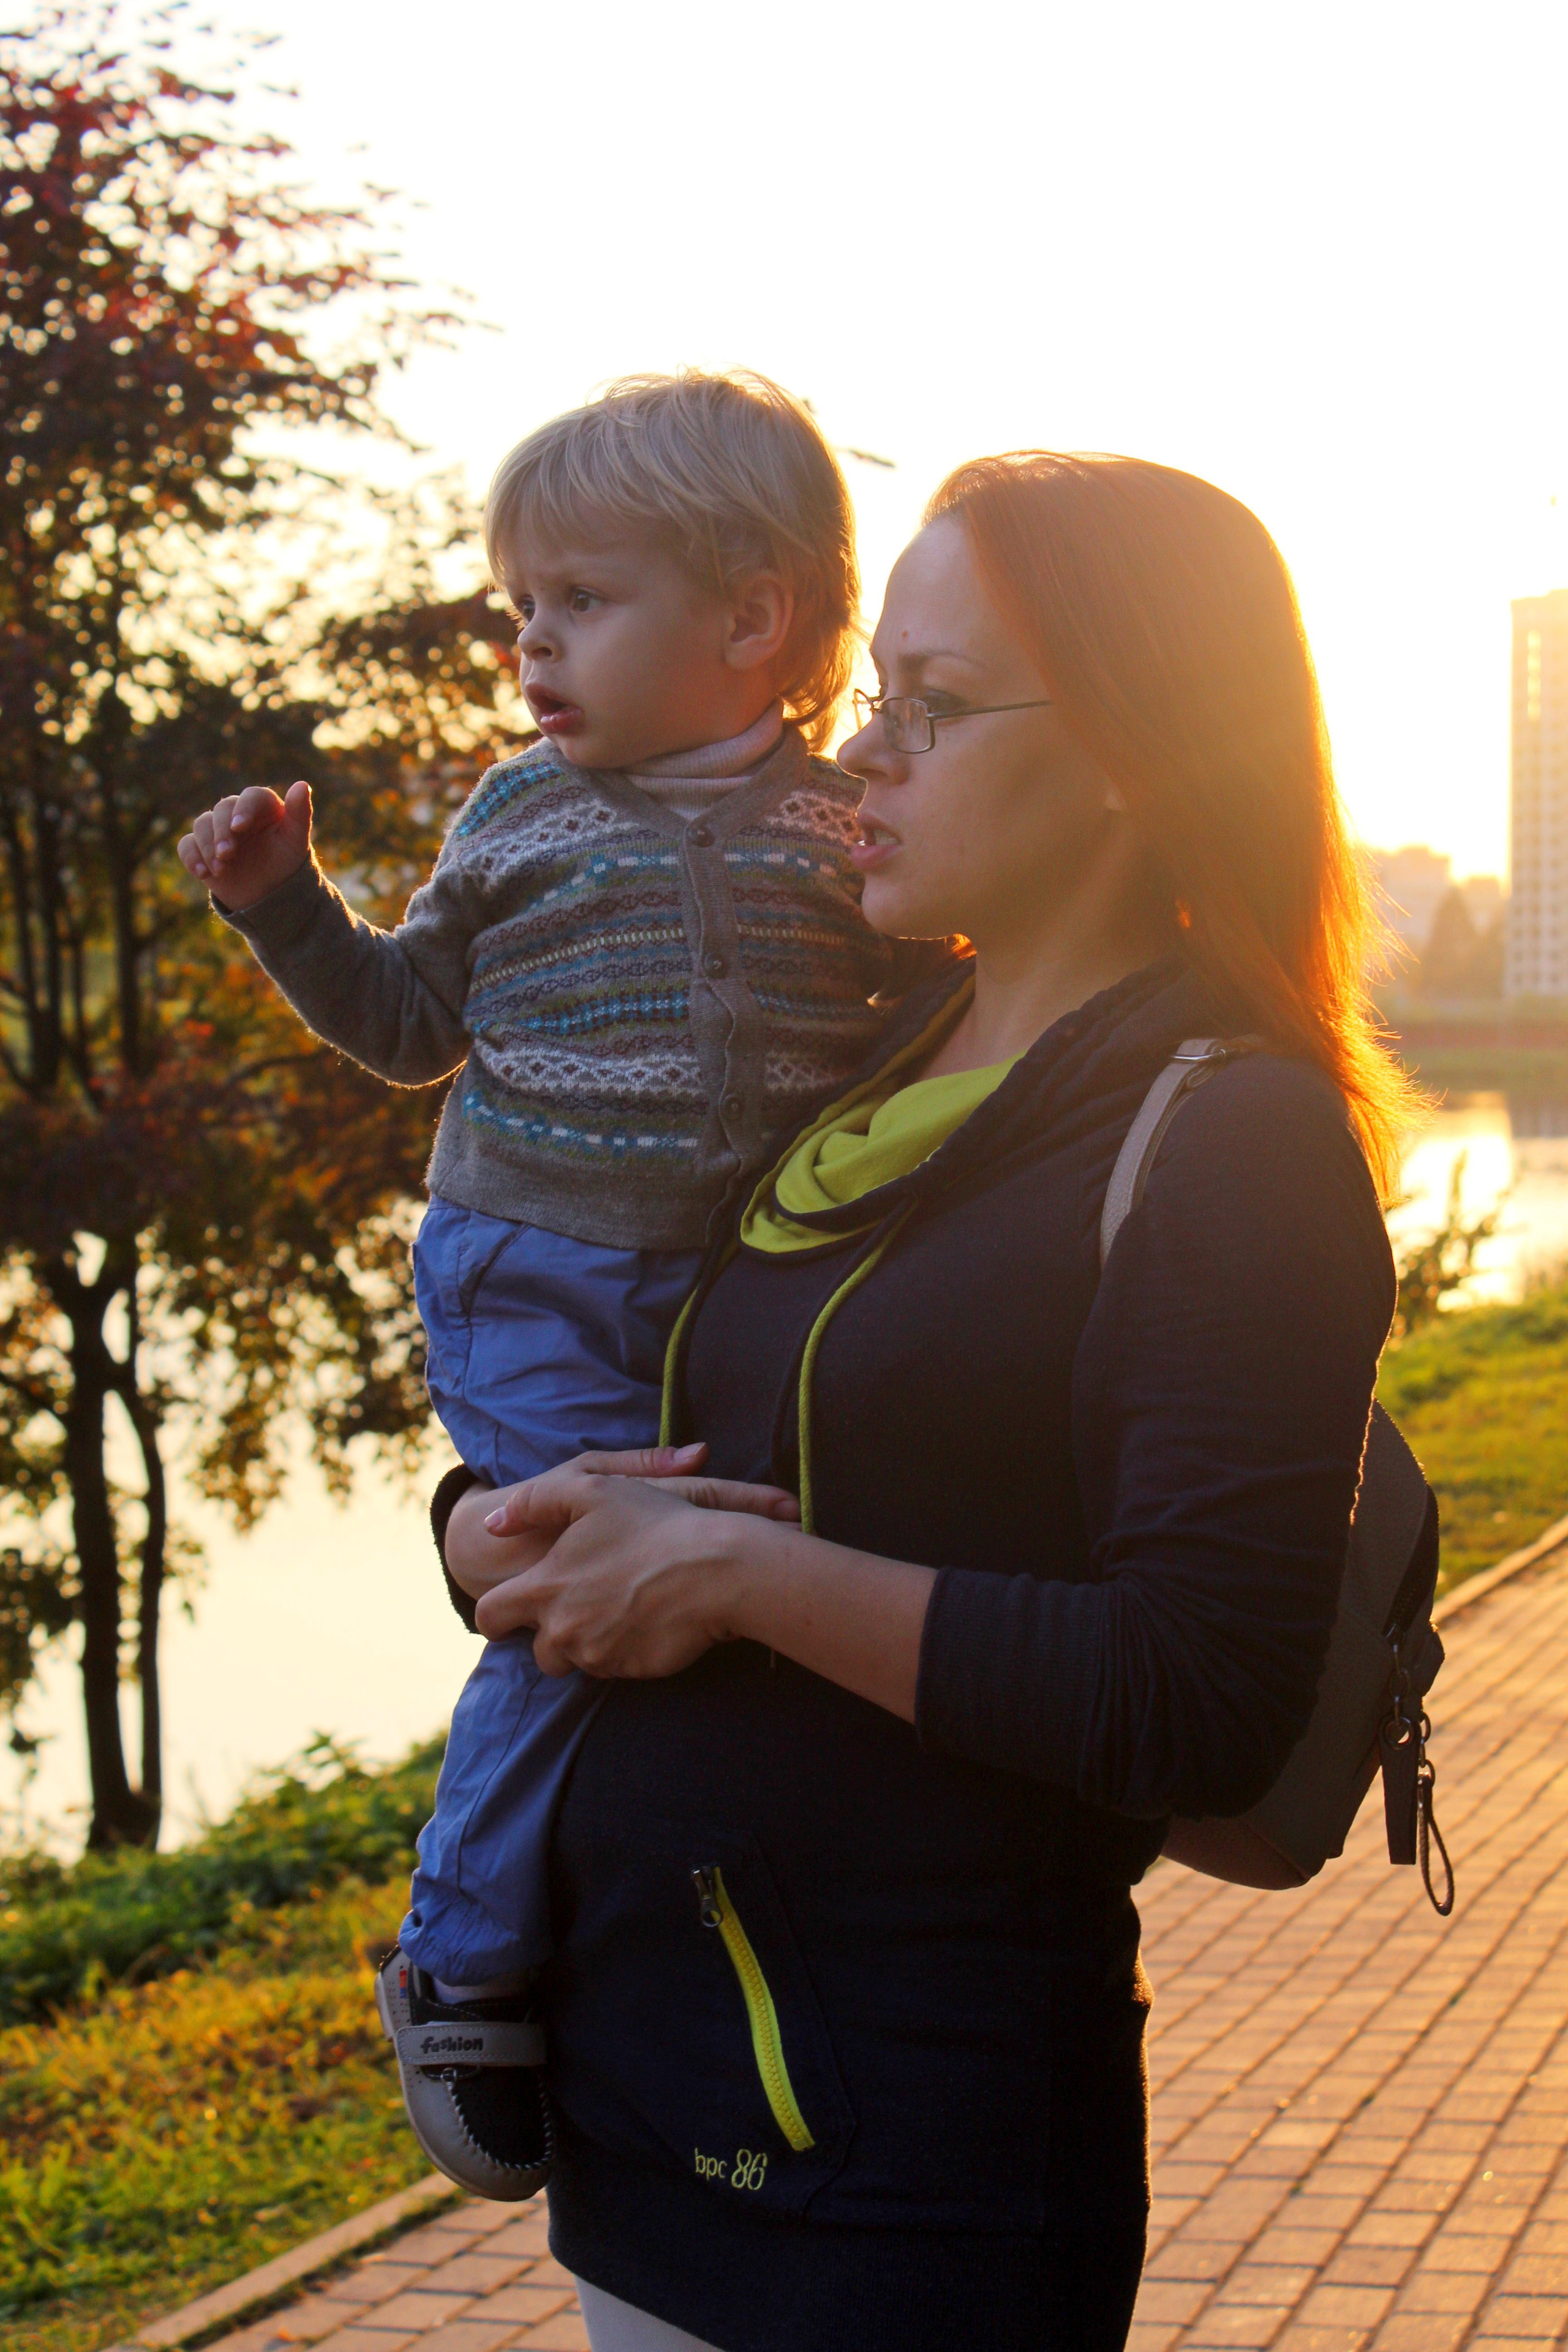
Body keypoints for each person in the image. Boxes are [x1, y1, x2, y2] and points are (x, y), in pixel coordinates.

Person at [435, 450, 1411, 2352]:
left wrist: (737, 1589)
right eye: (879, 694)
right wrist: (482, 1532)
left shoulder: (1232, 1138)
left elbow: (1202, 1699)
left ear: (1136, 747)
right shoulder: (851, 1073)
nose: (863, 754)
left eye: (934, 707)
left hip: (908, 2172)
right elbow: (671, 1470)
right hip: (652, 2116)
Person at [175, 370, 927, 2201]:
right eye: (525, 605)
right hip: (533, 1270)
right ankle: (462, 1955)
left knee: (744, 1575)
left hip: (745, 1273)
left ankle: (705, 1925)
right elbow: (410, 1028)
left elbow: (925, 1023)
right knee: (576, 1578)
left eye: (579, 603)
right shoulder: (514, 818)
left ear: (751, 620)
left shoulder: (844, 832)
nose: (529, 644)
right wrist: (291, 911)